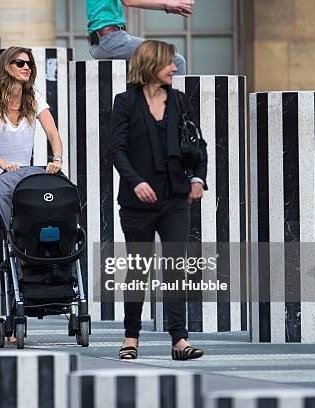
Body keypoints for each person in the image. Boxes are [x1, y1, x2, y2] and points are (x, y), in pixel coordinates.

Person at [109, 40, 207, 360]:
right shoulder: (125, 102)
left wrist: (196, 178)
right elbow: (117, 150)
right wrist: (135, 183)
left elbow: (197, 143)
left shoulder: (178, 100)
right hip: (138, 204)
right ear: (151, 65)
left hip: (175, 199)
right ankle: (131, 337)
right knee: (139, 269)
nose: (175, 68)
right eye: (169, 63)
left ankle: (179, 340)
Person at [0, 46, 64, 341]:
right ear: (6, 65)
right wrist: (1, 164)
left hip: (19, 188)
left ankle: (14, 321)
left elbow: (53, 134)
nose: (26, 67)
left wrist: (57, 159)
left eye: (29, 64)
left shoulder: (33, 99)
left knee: (19, 253)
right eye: (19, 62)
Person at [86, 0, 193, 73]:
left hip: (103, 40)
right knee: (175, 61)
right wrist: (166, 4)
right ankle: (177, 106)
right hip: (110, 40)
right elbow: (129, 1)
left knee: (148, 74)